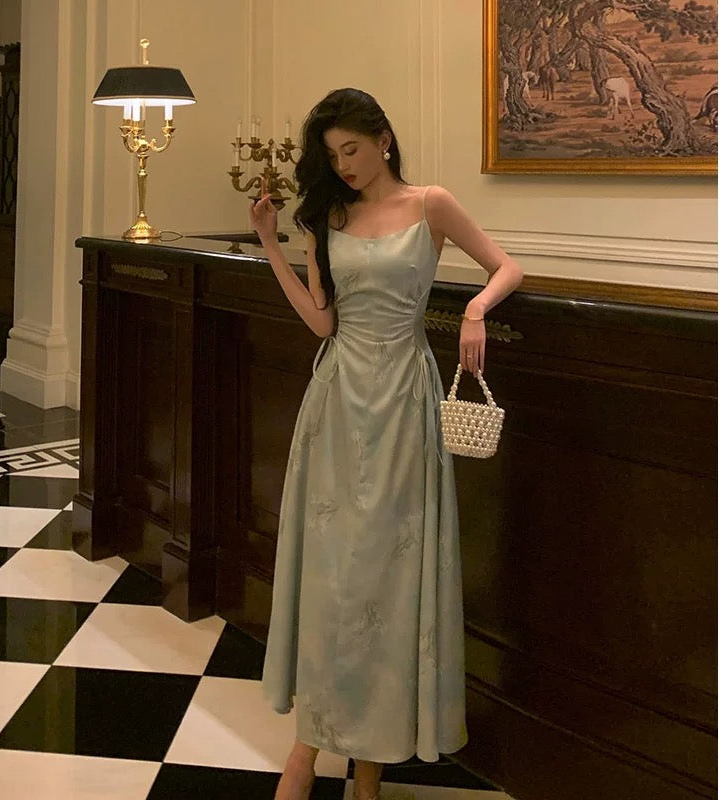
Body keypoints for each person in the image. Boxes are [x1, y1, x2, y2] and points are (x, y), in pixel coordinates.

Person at [248, 87, 523, 800]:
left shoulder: (432, 204)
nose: (343, 165)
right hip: (337, 402)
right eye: (333, 155)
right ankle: (306, 751)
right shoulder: (328, 217)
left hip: (405, 400)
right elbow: (322, 323)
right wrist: (272, 244)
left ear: (384, 141)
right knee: (333, 576)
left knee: (387, 582)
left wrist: (475, 308)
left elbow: (507, 267)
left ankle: (367, 769)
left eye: (353, 150)